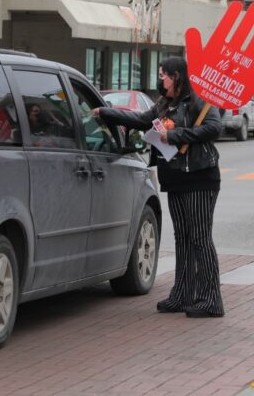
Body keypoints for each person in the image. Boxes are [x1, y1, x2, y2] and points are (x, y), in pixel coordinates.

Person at [94, 56, 225, 318]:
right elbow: (143, 120)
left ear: (177, 76)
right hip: (175, 176)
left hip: (200, 176)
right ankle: (182, 295)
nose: (160, 78)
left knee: (199, 238)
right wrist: (106, 112)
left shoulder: (198, 99)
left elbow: (215, 128)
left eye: (164, 74)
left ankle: (211, 300)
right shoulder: (166, 103)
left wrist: (174, 135)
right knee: (183, 239)